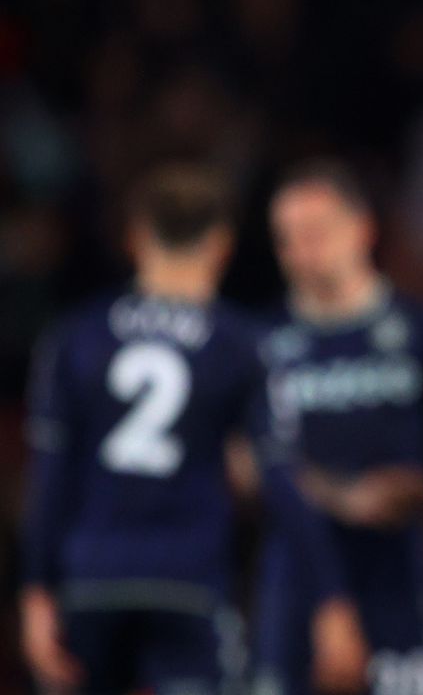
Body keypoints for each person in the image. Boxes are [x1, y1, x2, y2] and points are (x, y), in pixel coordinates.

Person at [19, 163, 369, 695]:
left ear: (135, 237)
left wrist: (35, 593)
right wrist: (332, 601)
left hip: (89, 583)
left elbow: (49, 478)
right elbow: (280, 479)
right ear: (221, 246)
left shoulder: (75, 337)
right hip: (188, 582)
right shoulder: (239, 344)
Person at [255, 160, 423, 695]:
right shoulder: (262, 346)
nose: (302, 252)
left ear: (362, 228)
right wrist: (344, 498)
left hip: (406, 574)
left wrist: (422, 487)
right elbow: (249, 465)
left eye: (316, 233)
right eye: (287, 239)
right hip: (299, 578)